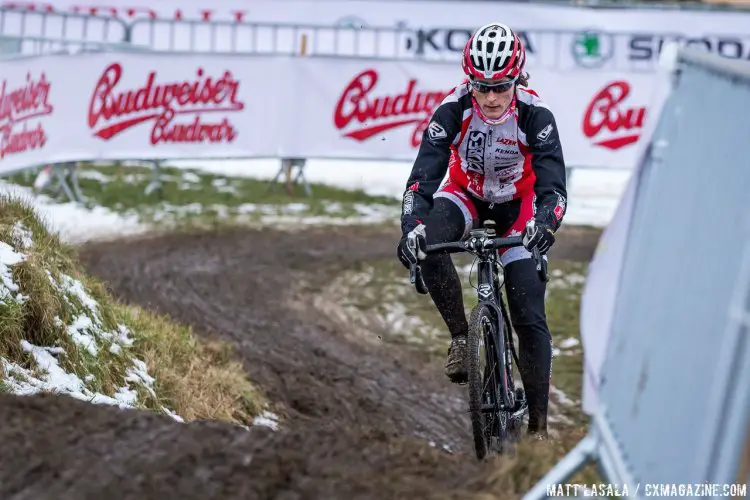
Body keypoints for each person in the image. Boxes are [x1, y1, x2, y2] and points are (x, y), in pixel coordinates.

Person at [396, 22, 567, 438]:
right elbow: (421, 181)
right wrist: (411, 227)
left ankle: (539, 430)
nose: (490, 97)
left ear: (517, 79)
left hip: (518, 204)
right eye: (481, 86)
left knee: (528, 311)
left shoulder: (535, 115)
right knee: (430, 242)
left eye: (501, 86)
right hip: (466, 193)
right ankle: (460, 338)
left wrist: (545, 224)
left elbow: (554, 188)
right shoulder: (452, 110)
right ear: (468, 81)